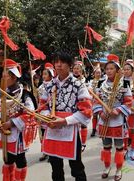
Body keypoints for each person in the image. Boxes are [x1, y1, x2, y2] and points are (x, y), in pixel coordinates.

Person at [39, 51, 92, 181]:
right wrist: (47, 117)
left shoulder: (78, 84)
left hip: (70, 130)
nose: (58, 65)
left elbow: (86, 110)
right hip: (52, 129)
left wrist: (64, 121)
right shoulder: (49, 85)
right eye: (56, 62)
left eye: (62, 62)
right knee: (55, 168)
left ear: (69, 65)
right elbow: (42, 106)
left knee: (76, 167)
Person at [93, 54, 132, 181]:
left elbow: (128, 101)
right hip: (104, 119)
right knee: (106, 146)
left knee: (119, 146)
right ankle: (107, 167)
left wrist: (118, 110)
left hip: (118, 119)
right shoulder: (100, 83)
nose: (109, 71)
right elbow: (96, 101)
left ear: (117, 70)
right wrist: (100, 112)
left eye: (111, 68)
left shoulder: (124, 83)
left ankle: (119, 169)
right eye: (107, 69)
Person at [0, 59, 36, 181]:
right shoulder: (3, 93)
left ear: (13, 77)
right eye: (2, 76)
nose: (3, 79)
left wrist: (12, 123)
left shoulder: (24, 94)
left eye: (5, 76)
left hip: (18, 132)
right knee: (7, 159)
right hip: (5, 131)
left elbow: (30, 114)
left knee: (19, 160)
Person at [37, 63, 55, 161]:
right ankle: (44, 151)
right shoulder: (40, 86)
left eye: (45, 74)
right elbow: (38, 100)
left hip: (49, 112)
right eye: (43, 74)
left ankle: (51, 152)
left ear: (51, 75)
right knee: (42, 133)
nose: (44, 76)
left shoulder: (54, 85)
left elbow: (52, 101)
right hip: (40, 112)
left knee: (50, 132)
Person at [72, 60, 88, 151]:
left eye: (78, 68)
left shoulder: (85, 80)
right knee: (74, 125)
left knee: (83, 124)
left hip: (83, 105)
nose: (76, 70)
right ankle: (74, 143)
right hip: (73, 105)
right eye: (74, 68)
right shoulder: (70, 79)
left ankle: (84, 143)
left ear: (81, 70)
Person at [88, 65, 104, 137]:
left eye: (100, 72)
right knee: (94, 116)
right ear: (94, 74)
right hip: (94, 100)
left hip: (102, 101)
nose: (98, 74)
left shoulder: (104, 81)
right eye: (97, 73)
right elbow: (89, 90)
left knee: (101, 115)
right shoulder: (91, 81)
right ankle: (94, 129)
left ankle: (101, 129)